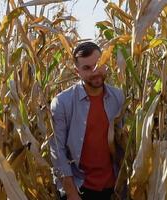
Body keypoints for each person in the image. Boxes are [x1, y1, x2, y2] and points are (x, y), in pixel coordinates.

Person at [49, 42, 125, 200]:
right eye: (87, 68)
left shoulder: (118, 97)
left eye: (99, 64)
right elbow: (58, 150)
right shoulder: (62, 103)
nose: (95, 71)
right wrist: (71, 193)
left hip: (114, 188)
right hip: (80, 189)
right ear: (77, 72)